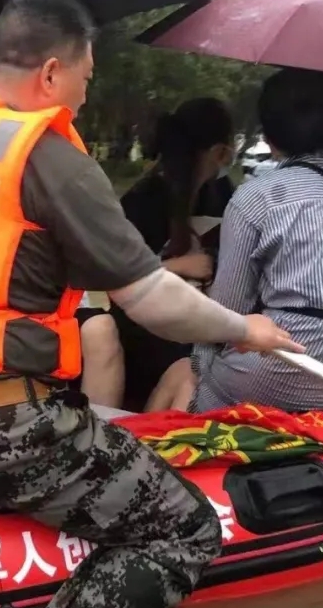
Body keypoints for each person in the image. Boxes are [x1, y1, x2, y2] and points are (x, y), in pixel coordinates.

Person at [0, 0, 303, 608]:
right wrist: (244, 328)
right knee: (182, 528)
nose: (84, 99)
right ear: (49, 75)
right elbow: (152, 299)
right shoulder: (48, 156)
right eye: (85, 80)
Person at [150, 68, 323, 413]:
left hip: (287, 372)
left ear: (268, 134)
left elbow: (227, 314)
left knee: (183, 372)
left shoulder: (257, 195)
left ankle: (147, 457)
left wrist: (198, 362)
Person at [79, 97, 236, 411]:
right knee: (192, 366)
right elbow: (110, 278)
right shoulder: (144, 200)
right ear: (219, 152)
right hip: (146, 328)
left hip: (200, 319)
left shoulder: (221, 194)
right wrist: (178, 266)